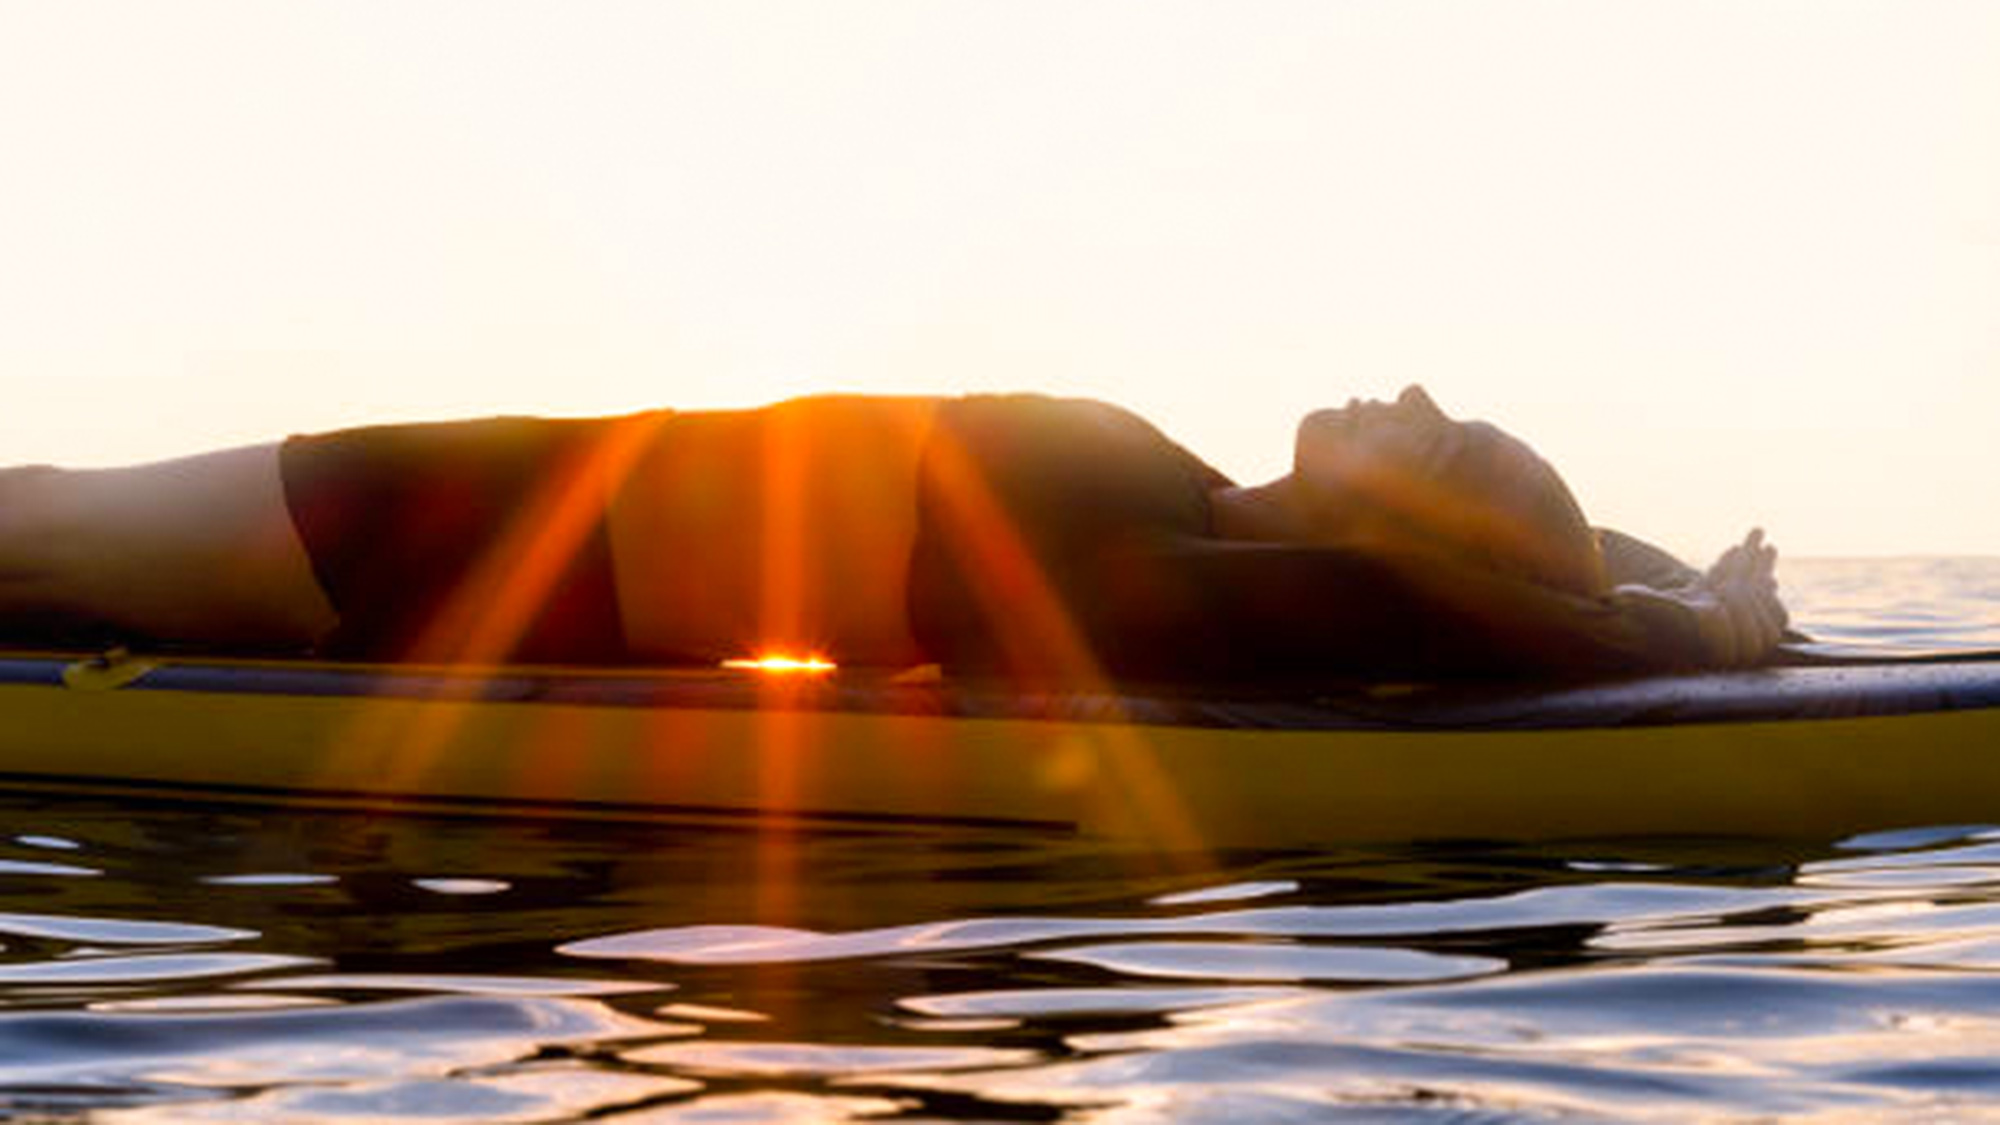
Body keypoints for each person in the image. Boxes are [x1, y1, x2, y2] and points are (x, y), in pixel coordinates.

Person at [0, 387, 1786, 681]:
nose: (1406, 386)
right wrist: (1673, 577)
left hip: (420, 539)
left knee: (30, 529)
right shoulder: (1170, 494)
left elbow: (1424, 596)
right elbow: (1495, 571)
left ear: (1406, 515)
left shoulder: (1149, 571)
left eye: (1442, 430)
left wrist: (1698, 639)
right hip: (480, 494)